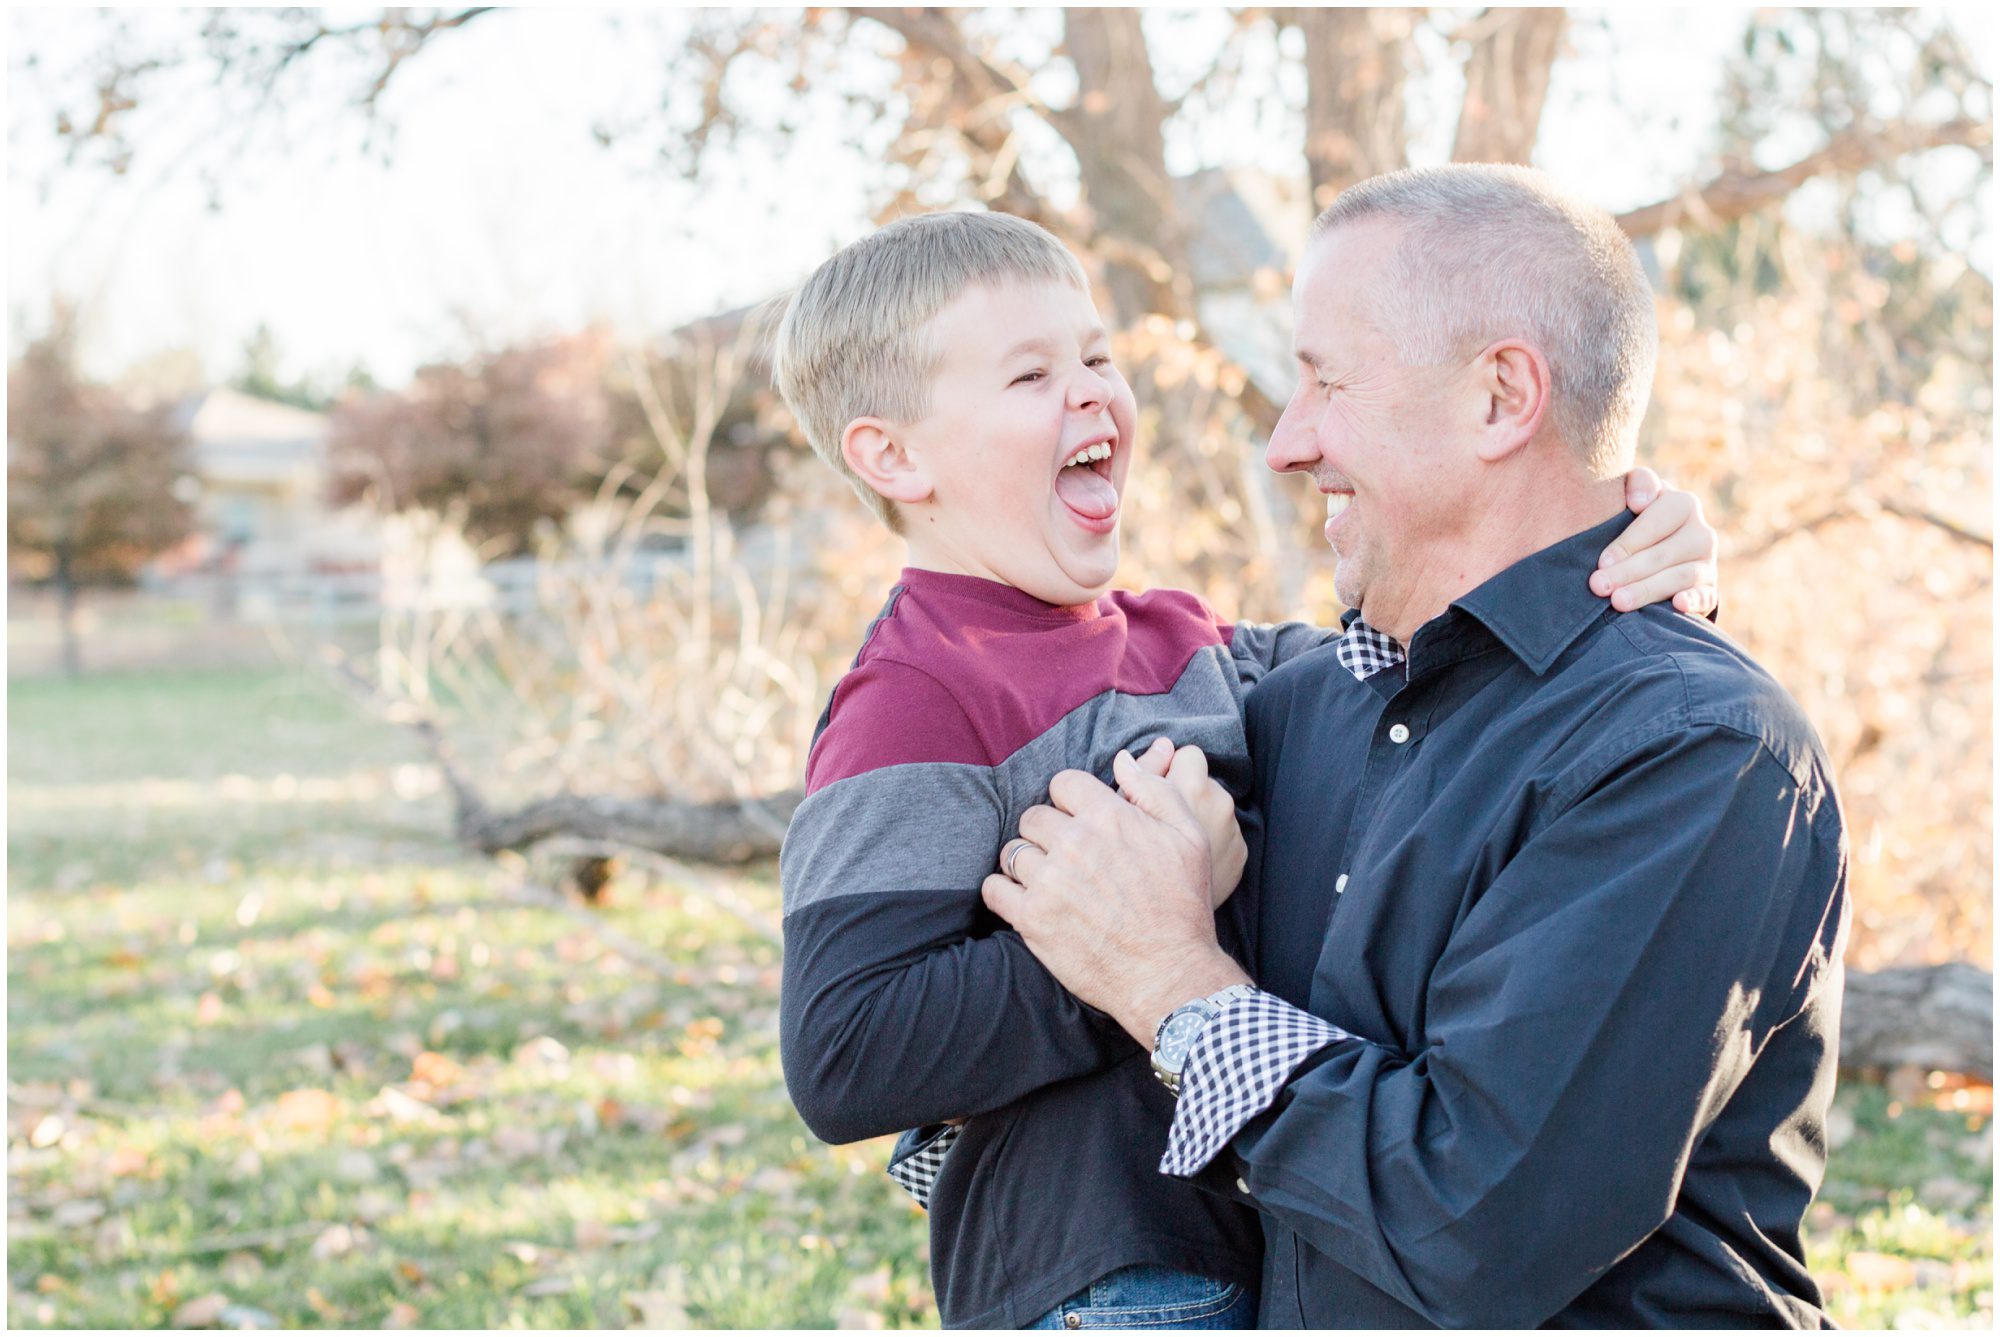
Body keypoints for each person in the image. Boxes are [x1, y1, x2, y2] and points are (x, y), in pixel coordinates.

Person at [772, 209, 1721, 1330]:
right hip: (1101, 1273)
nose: (1087, 393)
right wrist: (1127, 942)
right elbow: (842, 1051)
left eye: (1095, 357)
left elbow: (1443, 665)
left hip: (1264, 1249)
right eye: (1029, 375)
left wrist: (1623, 558)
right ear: (892, 454)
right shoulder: (914, 694)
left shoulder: (1193, 644)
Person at [982, 165, 1849, 1328]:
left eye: (1326, 381)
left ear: (1501, 397)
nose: (1287, 443)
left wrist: (1173, 987)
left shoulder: (1694, 752)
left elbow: (1473, 1226)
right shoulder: (1303, 708)